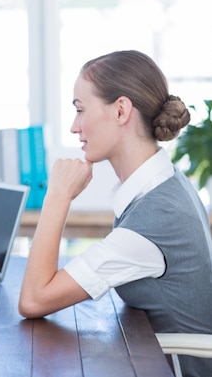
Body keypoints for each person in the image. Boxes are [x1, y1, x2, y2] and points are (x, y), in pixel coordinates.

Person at [18, 50, 212, 376]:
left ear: (121, 110)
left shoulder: (156, 218)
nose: (73, 127)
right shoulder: (163, 179)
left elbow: (34, 300)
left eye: (80, 110)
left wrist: (57, 196)